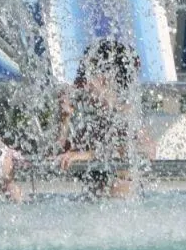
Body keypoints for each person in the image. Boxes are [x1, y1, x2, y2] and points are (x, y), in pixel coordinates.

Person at [57, 39, 154, 199]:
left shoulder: (125, 115)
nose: (83, 84)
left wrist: (85, 155)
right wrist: (65, 119)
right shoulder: (94, 120)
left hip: (121, 198)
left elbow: (130, 151)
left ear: (107, 78)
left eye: (88, 75)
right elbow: (60, 153)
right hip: (101, 201)